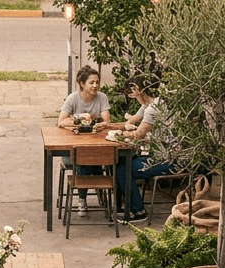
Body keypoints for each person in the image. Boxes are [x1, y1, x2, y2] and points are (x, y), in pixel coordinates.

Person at [104, 77, 177, 223]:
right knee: (120, 161)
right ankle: (121, 207)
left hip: (169, 159)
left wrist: (122, 134)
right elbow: (130, 122)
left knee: (122, 168)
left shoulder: (153, 109)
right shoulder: (150, 104)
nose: (130, 97)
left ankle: (138, 211)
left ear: (137, 90)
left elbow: (137, 135)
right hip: (160, 154)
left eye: (131, 93)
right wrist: (108, 126)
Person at [57, 66, 113, 215]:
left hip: (95, 146)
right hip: (73, 151)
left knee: (92, 159)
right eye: (91, 82)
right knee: (85, 160)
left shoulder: (102, 97)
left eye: (97, 82)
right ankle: (92, 198)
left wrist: (99, 124)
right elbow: (61, 122)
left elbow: (107, 120)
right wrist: (78, 119)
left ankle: (84, 198)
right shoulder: (73, 98)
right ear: (82, 84)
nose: (95, 86)